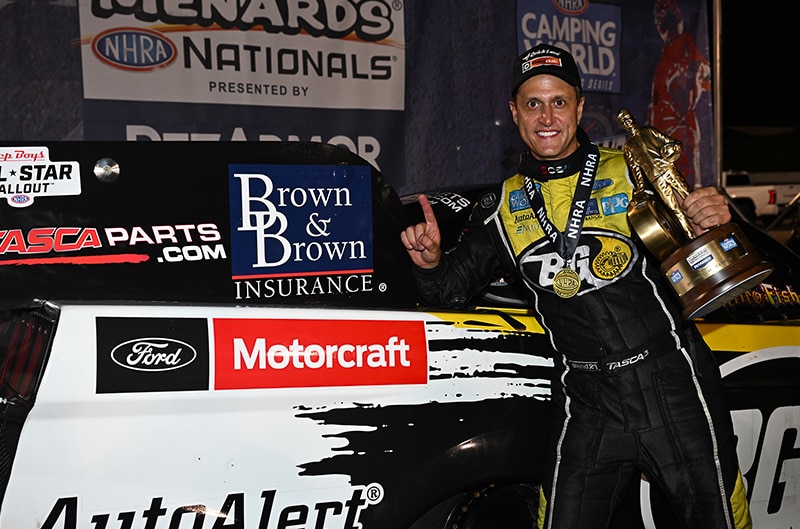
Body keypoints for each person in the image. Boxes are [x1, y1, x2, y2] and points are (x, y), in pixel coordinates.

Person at [400, 43, 752, 529]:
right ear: (514, 114)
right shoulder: (502, 207)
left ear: (580, 107)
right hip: (586, 398)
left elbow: (704, 256)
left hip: (671, 385)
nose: (547, 116)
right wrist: (431, 261)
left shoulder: (634, 171)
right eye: (533, 103)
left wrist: (712, 222)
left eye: (559, 101)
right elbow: (446, 292)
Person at [617, 108, 696, 240]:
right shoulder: (628, 146)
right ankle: (691, 237)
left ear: (633, 117)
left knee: (690, 198)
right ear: (622, 125)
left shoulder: (647, 131)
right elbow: (635, 169)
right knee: (674, 209)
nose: (627, 121)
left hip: (668, 170)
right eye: (623, 120)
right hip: (655, 179)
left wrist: (674, 148)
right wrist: (640, 188)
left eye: (627, 117)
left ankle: (709, 229)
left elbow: (671, 141)